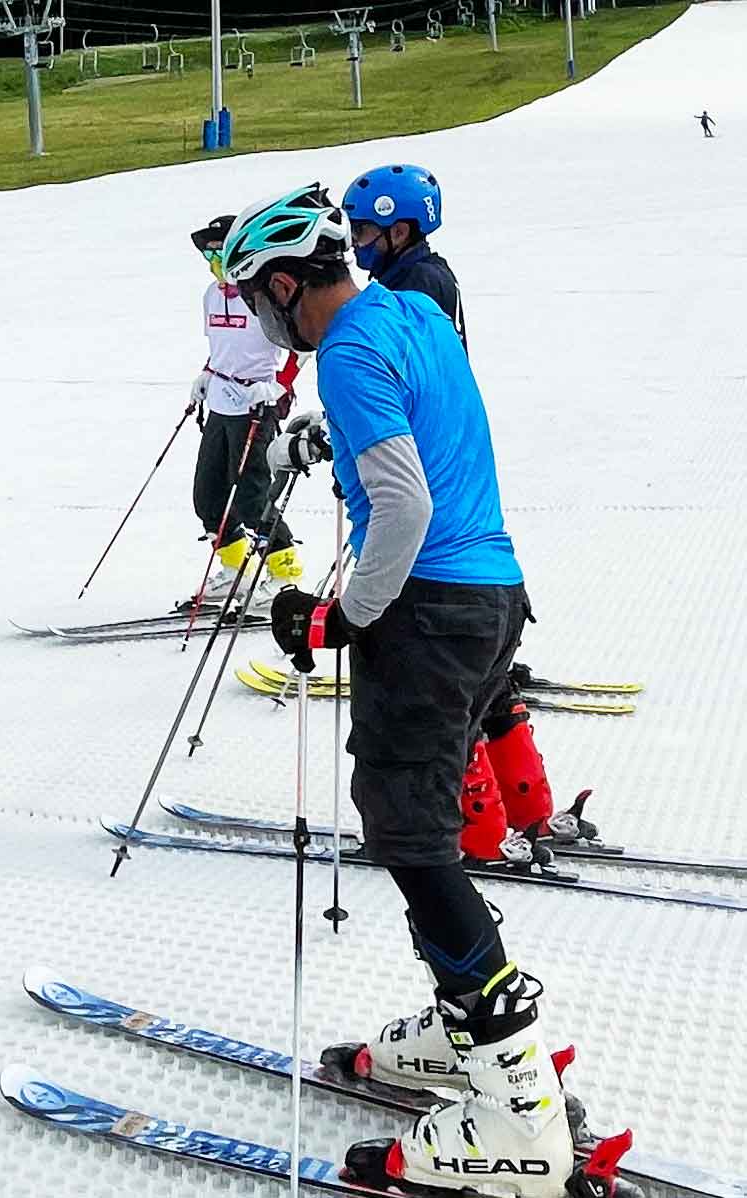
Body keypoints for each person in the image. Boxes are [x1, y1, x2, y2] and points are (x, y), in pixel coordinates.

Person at [224, 186, 572, 1195]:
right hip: (492, 593)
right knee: (416, 825)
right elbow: (427, 439)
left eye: (258, 299)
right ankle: (468, 1036)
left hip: (429, 607)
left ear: (288, 284)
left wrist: (341, 615)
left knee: (411, 839)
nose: (258, 317)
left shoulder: (343, 351)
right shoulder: (409, 307)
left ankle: (513, 1110)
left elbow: (404, 500)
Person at [343, 162, 566, 861]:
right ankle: (526, 812)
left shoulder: (412, 290)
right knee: (485, 690)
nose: (355, 244)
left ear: (399, 229)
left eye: (364, 230)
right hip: (464, 518)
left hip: (430, 521)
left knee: (442, 702)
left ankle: (474, 833)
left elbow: (407, 386)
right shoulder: (426, 278)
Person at [183, 215, 305, 607]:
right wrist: (205, 374)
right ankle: (237, 570)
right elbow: (222, 346)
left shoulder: (262, 297)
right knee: (208, 494)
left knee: (252, 497)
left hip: (256, 403)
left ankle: (285, 574)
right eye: (208, 254)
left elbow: (300, 347)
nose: (214, 261)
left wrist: (279, 385)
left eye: (220, 252)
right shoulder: (211, 295)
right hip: (220, 400)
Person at [340, 164, 466, 350]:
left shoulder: (417, 283)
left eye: (360, 230)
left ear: (399, 232)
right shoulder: (423, 272)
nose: (353, 242)